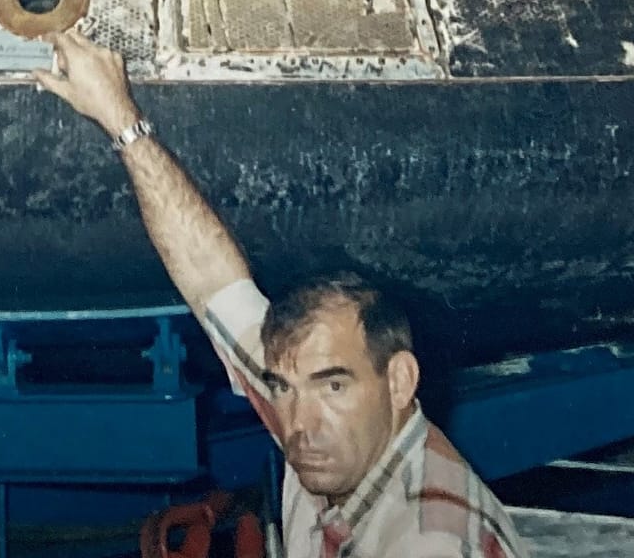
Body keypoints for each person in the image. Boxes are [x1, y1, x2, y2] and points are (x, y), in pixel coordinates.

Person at [40, 29, 526, 558]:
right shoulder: (340, 443)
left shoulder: (431, 540)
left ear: (400, 380)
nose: (299, 428)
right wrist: (120, 119)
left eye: (333, 388)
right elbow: (212, 279)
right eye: (284, 389)